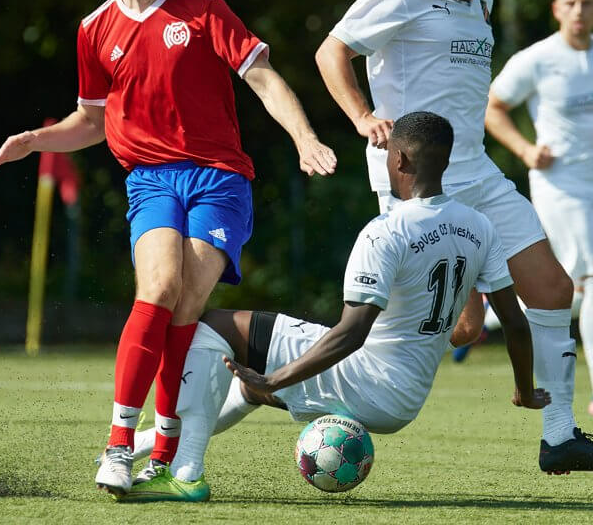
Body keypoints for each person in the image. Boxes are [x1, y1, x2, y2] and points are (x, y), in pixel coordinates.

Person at [0, 0, 336, 495]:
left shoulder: (204, 9)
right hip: (150, 178)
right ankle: (121, 444)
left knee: (184, 304)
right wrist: (36, 140)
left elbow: (264, 78)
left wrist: (305, 137)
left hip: (220, 179)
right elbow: (91, 121)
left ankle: (167, 444)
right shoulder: (95, 29)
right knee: (160, 288)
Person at [315, 0, 593, 473]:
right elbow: (331, 50)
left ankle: (559, 438)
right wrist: (363, 117)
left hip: (479, 174)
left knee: (552, 289)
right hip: (419, 185)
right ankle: (292, 379)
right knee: (421, 328)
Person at [117, 111, 552, 502]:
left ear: (399, 160)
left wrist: (277, 376)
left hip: (365, 378)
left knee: (212, 326)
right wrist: (524, 389)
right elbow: (513, 322)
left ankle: (184, 472)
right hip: (406, 400)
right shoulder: (479, 226)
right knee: (249, 387)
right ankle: (141, 447)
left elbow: (351, 333)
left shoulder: (387, 231)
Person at [484, 0, 593, 417]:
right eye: (570, 3)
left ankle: (489, 313)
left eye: (587, 3)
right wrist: (524, 148)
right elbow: (492, 107)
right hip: (559, 187)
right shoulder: (537, 59)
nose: (579, 10)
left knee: (573, 284)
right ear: (556, 9)